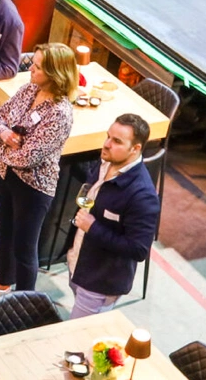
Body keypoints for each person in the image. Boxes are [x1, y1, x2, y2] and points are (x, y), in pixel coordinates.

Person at [0, 43, 76, 299]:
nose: (31, 69)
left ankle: (25, 301)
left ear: (56, 74)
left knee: (25, 247)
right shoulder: (29, 89)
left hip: (34, 187)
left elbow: (29, 157)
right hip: (6, 174)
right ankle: (1, 283)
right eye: (33, 63)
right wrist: (3, 133)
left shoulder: (59, 113)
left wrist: (0, 149)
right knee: (5, 231)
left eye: (37, 67)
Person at [67, 115, 160, 318]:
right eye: (108, 136)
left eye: (117, 141)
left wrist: (93, 228)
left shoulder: (142, 196)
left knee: (78, 339)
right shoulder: (105, 163)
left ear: (135, 149)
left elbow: (138, 250)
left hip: (99, 283)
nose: (107, 144)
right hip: (79, 263)